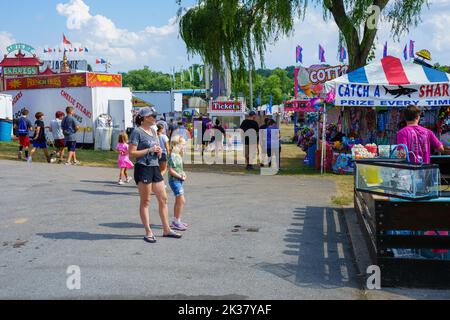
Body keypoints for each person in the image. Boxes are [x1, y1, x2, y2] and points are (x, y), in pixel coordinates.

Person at [129, 107, 182, 243]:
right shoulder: (137, 132)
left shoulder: (153, 131)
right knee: (146, 201)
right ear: (145, 118)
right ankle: (148, 232)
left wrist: (158, 151)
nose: (155, 118)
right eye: (152, 116)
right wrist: (149, 150)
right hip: (143, 168)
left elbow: (155, 146)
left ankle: (166, 229)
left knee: (163, 199)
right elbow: (131, 153)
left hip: (154, 167)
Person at [168, 135, 188, 231]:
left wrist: (183, 174)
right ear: (176, 145)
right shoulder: (172, 155)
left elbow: (179, 169)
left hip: (179, 179)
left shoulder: (178, 155)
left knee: (179, 200)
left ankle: (177, 220)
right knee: (181, 200)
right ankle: (176, 222)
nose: (184, 146)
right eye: (182, 144)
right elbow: (171, 170)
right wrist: (180, 176)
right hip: (174, 180)